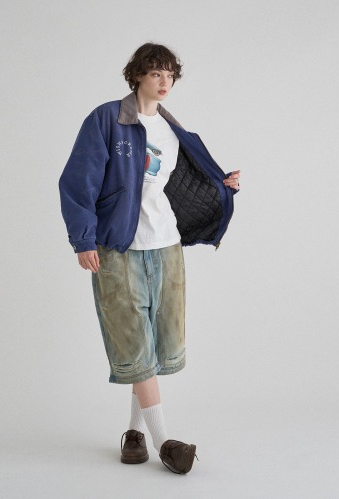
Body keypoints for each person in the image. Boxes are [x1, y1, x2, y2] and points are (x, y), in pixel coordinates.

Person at [59, 43, 240, 475]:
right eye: (156, 73)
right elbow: (78, 181)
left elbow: (181, 184)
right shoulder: (107, 119)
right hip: (118, 248)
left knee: (155, 345)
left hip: (166, 246)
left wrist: (222, 186)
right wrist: (83, 239)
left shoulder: (174, 130)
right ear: (137, 74)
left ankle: (133, 433)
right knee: (132, 342)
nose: (164, 82)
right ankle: (165, 443)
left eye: (170, 75)